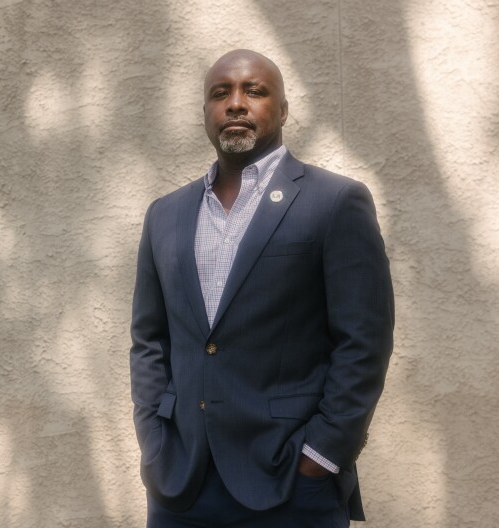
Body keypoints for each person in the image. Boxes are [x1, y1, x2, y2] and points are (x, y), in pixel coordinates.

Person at [130, 49, 394, 527]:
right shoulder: (164, 215)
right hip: (180, 483)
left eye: (254, 90)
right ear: (205, 113)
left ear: (284, 109)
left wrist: (323, 454)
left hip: (290, 482)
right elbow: (150, 340)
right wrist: (154, 441)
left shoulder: (334, 203)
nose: (235, 103)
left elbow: (364, 343)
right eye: (220, 93)